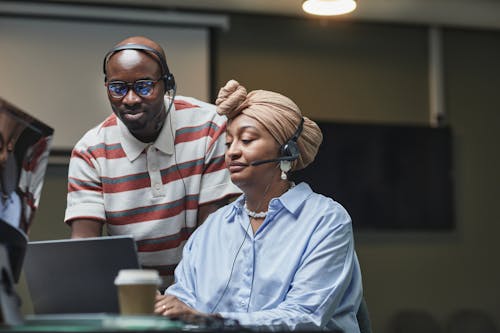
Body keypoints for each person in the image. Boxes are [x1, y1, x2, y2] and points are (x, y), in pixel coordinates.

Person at [154, 80, 364, 331]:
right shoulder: (213, 227)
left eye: (247, 140)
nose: (232, 152)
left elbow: (304, 316)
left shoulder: (326, 220)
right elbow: (184, 302)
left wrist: (211, 321)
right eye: (229, 142)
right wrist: (165, 308)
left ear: (287, 149)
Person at [64, 36, 240, 288]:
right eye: (118, 88)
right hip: (131, 294)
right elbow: (84, 245)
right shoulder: (90, 150)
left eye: (144, 86)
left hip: (201, 289)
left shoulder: (209, 126)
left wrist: (182, 299)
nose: (131, 99)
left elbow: (211, 236)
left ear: (167, 84)